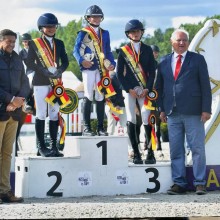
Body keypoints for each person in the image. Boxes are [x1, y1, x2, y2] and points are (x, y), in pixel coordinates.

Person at [156, 29, 212, 195]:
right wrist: (161, 109)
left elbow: (205, 87)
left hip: (194, 112)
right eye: (179, 40)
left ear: (188, 42)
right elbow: (159, 87)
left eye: (185, 40)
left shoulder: (198, 59)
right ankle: (179, 183)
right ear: (171, 42)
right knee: (175, 150)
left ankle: (200, 183)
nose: (182, 43)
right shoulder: (164, 61)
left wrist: (206, 109)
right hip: (172, 113)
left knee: (197, 148)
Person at [26, 13, 69, 157]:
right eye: (48, 26)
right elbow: (29, 62)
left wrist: (60, 71)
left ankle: (53, 146)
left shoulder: (60, 43)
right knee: (41, 114)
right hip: (40, 82)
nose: (51, 28)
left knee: (54, 114)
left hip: (56, 83)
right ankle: (41, 146)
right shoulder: (34, 43)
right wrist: (43, 70)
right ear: (41, 28)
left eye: (53, 26)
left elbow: (66, 62)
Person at [117, 19, 155, 164]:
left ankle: (150, 152)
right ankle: (136, 153)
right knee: (131, 118)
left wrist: (148, 88)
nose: (135, 33)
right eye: (133, 32)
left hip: (144, 89)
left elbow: (152, 71)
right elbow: (120, 74)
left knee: (146, 117)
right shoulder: (123, 51)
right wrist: (129, 89)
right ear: (128, 34)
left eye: (138, 31)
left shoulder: (148, 49)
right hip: (130, 90)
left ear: (141, 32)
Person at [73, 5, 116, 136]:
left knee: (100, 95)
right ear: (88, 18)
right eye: (93, 16)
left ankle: (100, 127)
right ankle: (86, 127)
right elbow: (76, 50)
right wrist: (81, 61)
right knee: (88, 94)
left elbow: (108, 51)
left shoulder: (105, 33)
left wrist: (112, 63)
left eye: (98, 16)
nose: (96, 18)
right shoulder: (83, 33)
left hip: (102, 69)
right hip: (89, 67)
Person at [0, 29, 30, 203]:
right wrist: (10, 99)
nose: (11, 44)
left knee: (7, 153)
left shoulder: (18, 58)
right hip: (1, 110)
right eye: (8, 41)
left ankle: (4, 191)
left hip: (15, 113)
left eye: (13, 41)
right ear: (1, 41)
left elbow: (25, 82)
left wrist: (19, 100)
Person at [15, 33, 35, 156]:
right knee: (29, 78)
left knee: (32, 78)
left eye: (28, 41)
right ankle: (27, 101)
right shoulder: (21, 53)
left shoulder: (34, 50)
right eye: (25, 41)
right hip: (24, 73)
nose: (26, 43)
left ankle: (30, 102)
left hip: (32, 71)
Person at [143, 44, 162, 164]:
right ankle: (146, 143)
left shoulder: (159, 66)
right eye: (152, 52)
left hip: (156, 94)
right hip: (146, 95)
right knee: (146, 120)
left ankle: (158, 144)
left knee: (157, 122)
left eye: (155, 52)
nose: (154, 54)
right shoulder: (144, 64)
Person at [105, 71, 126, 136]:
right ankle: (109, 144)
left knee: (122, 128)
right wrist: (115, 104)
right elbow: (109, 91)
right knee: (111, 127)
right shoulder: (113, 77)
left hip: (122, 105)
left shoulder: (123, 77)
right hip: (113, 106)